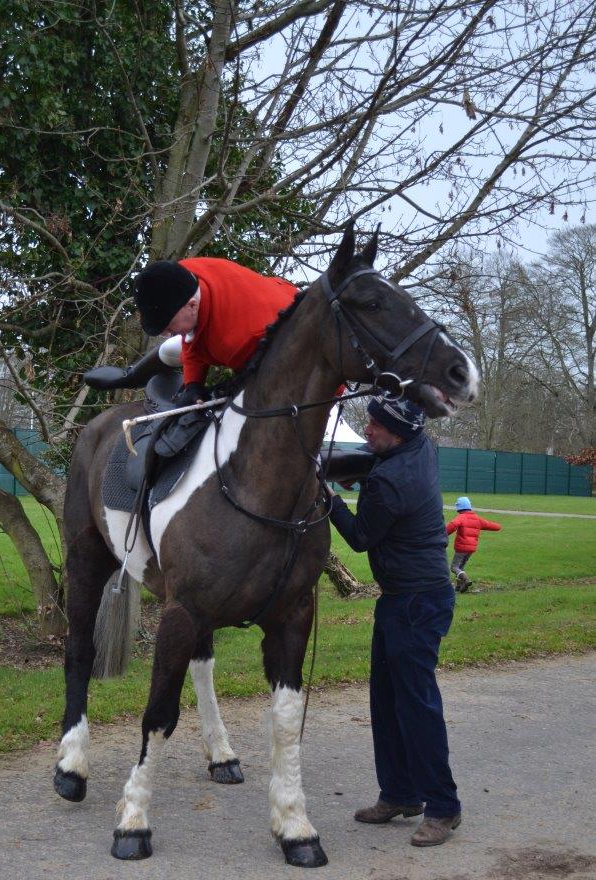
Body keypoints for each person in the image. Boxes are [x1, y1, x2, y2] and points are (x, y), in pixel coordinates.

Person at [328, 392, 461, 847]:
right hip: (405, 599)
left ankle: (443, 806)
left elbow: (360, 537)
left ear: (399, 434)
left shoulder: (392, 481)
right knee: (386, 701)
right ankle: (400, 794)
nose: (367, 430)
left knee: (417, 707)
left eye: (376, 426)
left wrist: (328, 498)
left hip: (416, 603)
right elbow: (375, 460)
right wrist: (361, 472)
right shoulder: (421, 446)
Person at [127, 257, 300, 403]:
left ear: (192, 305)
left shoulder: (236, 342)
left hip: (288, 334)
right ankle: (129, 376)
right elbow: (193, 337)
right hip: (258, 298)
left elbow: (256, 383)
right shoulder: (180, 275)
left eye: (169, 327)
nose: (166, 334)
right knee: (171, 347)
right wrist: (192, 384)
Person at [446, 497, 502, 592]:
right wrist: (498, 526)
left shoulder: (461, 517)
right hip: (471, 549)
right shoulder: (477, 519)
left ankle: (466, 580)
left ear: (459, 507)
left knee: (454, 567)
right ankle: (459, 587)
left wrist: (443, 534)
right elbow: (493, 526)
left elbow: (453, 525)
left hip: (461, 548)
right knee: (461, 567)